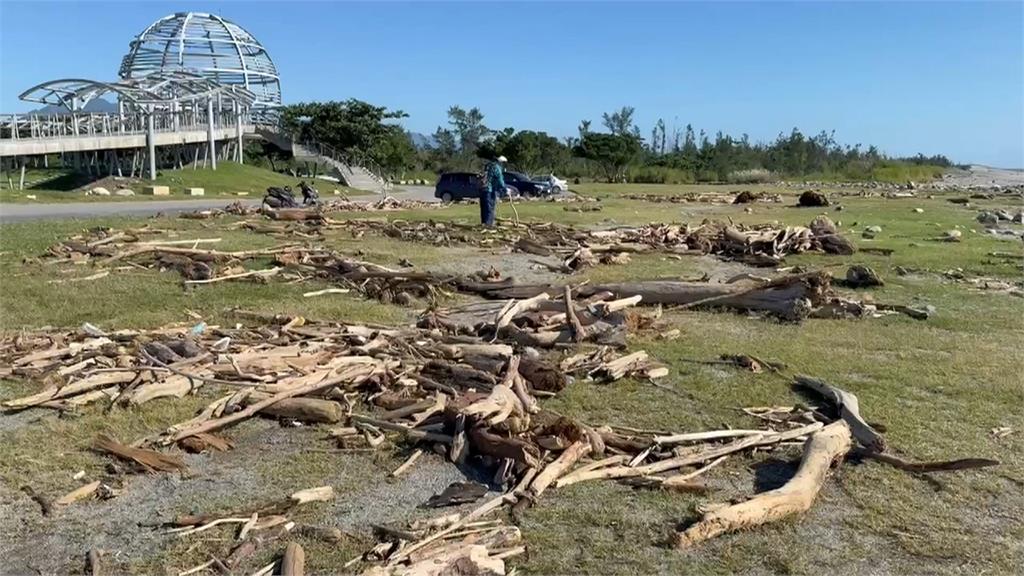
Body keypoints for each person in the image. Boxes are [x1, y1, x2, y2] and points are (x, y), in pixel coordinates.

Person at [480, 155, 506, 227]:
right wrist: (505, 189)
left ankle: (484, 223)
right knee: (490, 208)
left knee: (484, 208)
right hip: (489, 190)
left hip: (482, 189)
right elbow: (500, 181)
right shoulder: (496, 168)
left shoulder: (487, 166)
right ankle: (488, 225)